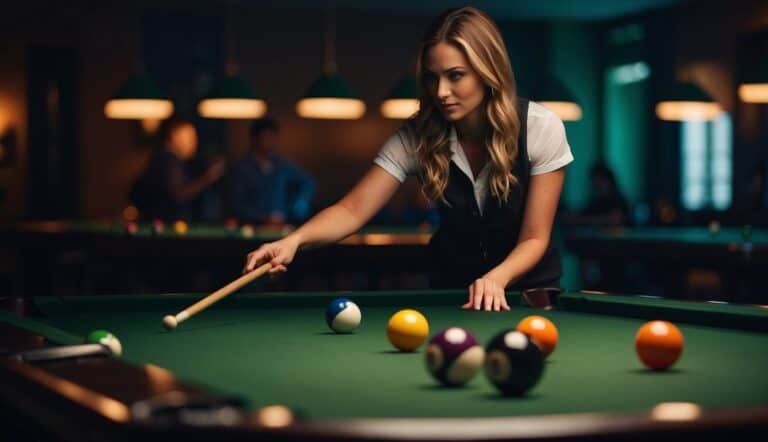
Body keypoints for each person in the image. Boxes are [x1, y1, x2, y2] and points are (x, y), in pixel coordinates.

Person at [243, 7, 573, 311]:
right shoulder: (419, 134)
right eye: (432, 77)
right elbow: (352, 209)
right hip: (454, 295)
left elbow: (535, 237)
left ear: (488, 72)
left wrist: (496, 279)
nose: (441, 91)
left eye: (455, 75)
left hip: (529, 295)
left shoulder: (540, 127)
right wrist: (293, 241)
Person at [130, 118, 225, 221]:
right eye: (190, 137)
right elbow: (178, 194)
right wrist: (209, 178)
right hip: (165, 228)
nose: (195, 142)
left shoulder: (167, 158)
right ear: (175, 136)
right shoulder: (167, 159)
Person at [230, 118, 315, 224]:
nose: (269, 142)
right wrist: (264, 218)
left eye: (272, 138)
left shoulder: (282, 164)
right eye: (266, 138)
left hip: (280, 225)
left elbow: (308, 182)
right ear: (255, 139)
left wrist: (296, 206)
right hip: (251, 227)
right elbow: (238, 205)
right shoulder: (242, 168)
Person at [561, 163, 629, 227]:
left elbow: (616, 220)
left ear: (609, 180)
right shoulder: (597, 201)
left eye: (600, 181)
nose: (597, 186)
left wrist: (582, 220)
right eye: (595, 182)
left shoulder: (618, 199)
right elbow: (584, 213)